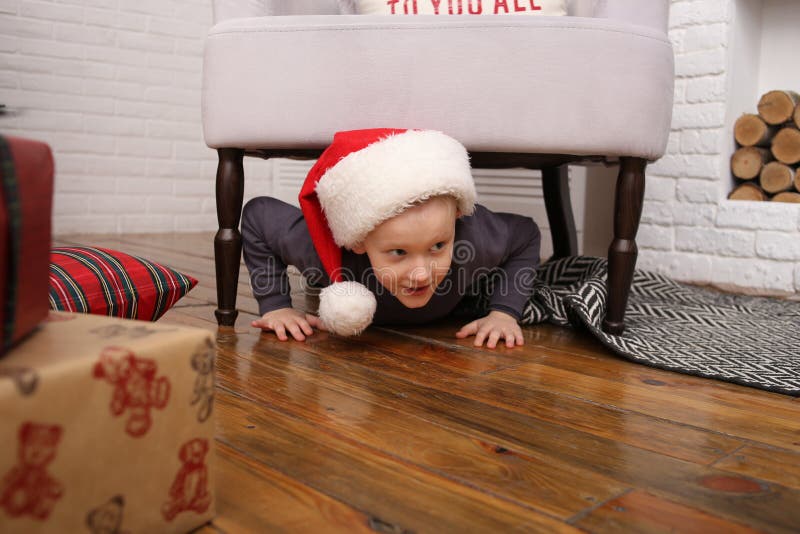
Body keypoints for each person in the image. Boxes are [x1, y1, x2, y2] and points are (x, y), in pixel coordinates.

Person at [241, 128, 541, 348]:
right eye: (398, 252)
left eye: (438, 246)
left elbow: (526, 234)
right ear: (358, 241)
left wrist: (505, 312)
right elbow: (256, 216)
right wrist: (275, 304)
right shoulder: (322, 251)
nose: (422, 273)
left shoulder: (473, 241)